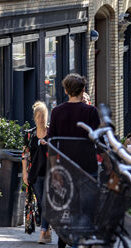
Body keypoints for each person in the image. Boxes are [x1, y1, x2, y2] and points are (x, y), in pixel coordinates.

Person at [48, 74, 100, 248]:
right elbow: (99, 141)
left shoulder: (57, 112)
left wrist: (55, 170)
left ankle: (63, 243)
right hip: (88, 167)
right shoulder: (91, 112)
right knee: (87, 209)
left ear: (65, 90)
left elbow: (52, 143)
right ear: (83, 90)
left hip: (66, 168)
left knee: (67, 208)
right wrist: (108, 164)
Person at [23, 101, 52, 244]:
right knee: (41, 203)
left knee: (46, 202)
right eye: (39, 116)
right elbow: (25, 155)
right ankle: (47, 230)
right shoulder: (30, 135)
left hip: (50, 173)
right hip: (35, 174)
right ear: (34, 117)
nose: (42, 118)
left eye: (44, 115)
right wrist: (24, 173)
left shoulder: (52, 132)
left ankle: (43, 233)